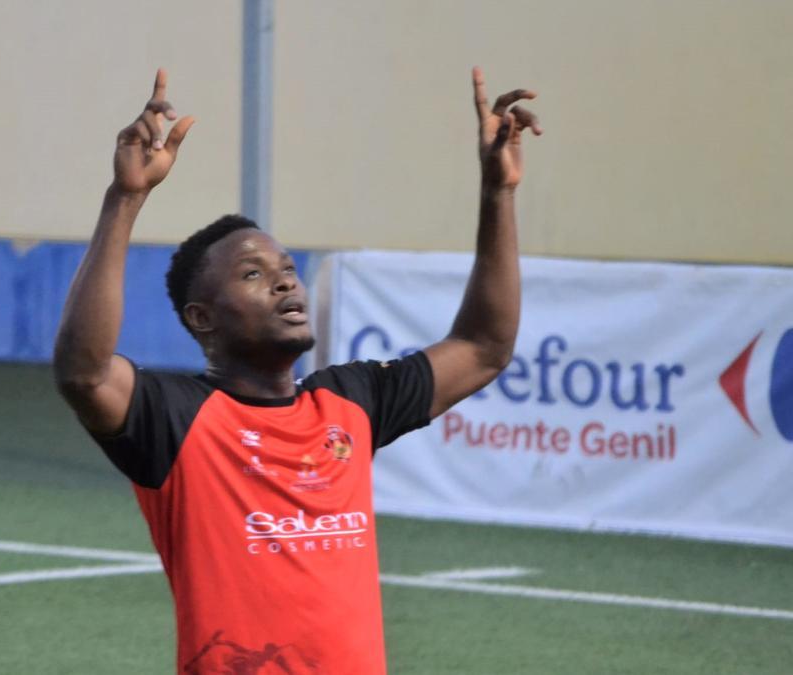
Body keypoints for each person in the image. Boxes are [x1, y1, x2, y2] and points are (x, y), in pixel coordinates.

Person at [53, 67, 541, 674]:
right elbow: (85, 374)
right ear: (202, 319)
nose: (284, 279)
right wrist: (125, 198)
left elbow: (484, 346)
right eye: (253, 274)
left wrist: (499, 194)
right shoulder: (175, 418)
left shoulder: (350, 402)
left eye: (285, 267)